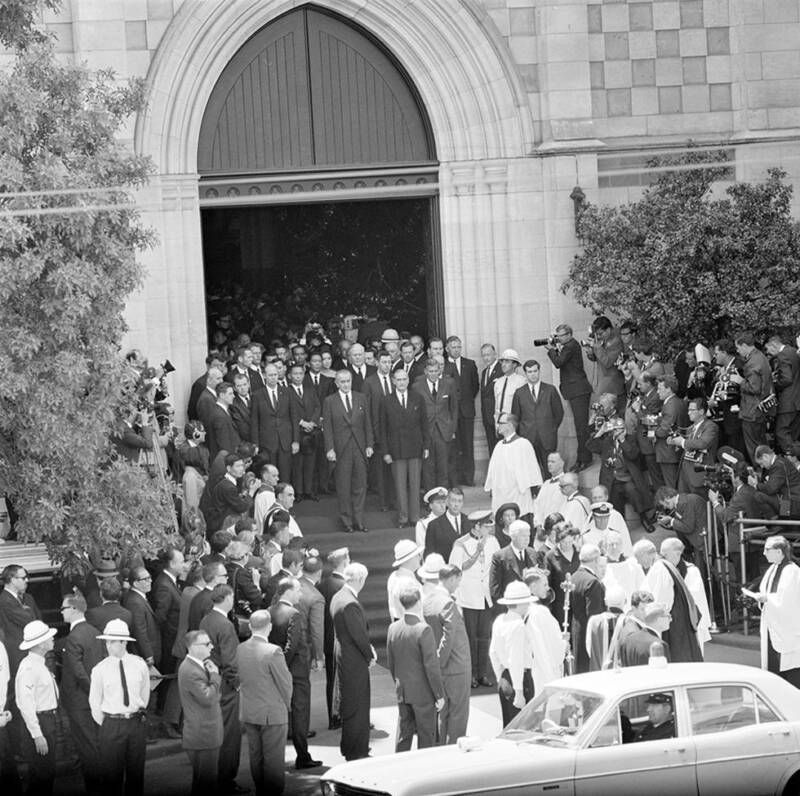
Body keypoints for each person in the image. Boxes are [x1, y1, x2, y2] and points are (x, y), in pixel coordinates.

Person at [89, 620, 150, 796]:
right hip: (111, 725)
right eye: (107, 641)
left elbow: (144, 694)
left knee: (136, 774)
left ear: (124, 642)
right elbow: (95, 702)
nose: (107, 645)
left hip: (135, 723)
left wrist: (134, 713)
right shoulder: (99, 669)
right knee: (111, 776)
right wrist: (109, 721)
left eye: (112, 641)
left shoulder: (139, 665)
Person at [236, 610, 293, 796]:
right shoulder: (273, 651)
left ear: (250, 626)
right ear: (269, 627)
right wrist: (287, 705)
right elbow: (285, 683)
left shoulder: (240, 648)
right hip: (272, 713)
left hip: (250, 711)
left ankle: (260, 791)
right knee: (274, 761)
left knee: (256, 757)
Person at [268, 579, 320, 770]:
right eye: (298, 590)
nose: (300, 594)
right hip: (296, 672)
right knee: (300, 713)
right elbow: (292, 645)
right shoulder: (294, 614)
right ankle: (303, 756)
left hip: (275, 669)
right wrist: (284, 667)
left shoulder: (269, 611)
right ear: (288, 591)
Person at [386, 585, 445, 751]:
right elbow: (431, 666)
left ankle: (399, 764)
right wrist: (439, 694)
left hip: (403, 690)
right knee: (426, 735)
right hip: (423, 693)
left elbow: (391, 662)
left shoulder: (393, 628)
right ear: (419, 602)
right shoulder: (424, 629)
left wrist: (399, 682)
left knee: (404, 733)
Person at [198, 585, 244, 794]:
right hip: (226, 684)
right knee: (230, 734)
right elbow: (230, 660)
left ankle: (214, 776)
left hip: (210, 679)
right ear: (226, 598)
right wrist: (237, 683)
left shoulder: (206, 620)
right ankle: (226, 780)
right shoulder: (225, 624)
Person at [330, 563, 375, 761]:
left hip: (345, 655)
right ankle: (357, 750)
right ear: (360, 579)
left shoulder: (338, 597)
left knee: (351, 703)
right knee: (357, 704)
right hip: (353, 659)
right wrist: (370, 655)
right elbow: (359, 636)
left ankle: (352, 746)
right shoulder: (350, 603)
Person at [421, 563, 471, 742]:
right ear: (451, 579)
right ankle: (454, 753)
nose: (458, 584)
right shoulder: (448, 603)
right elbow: (448, 637)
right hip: (456, 666)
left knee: (444, 714)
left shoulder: (427, 600)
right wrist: (440, 661)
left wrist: (436, 664)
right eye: (458, 580)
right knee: (458, 714)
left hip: (441, 668)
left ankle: (443, 748)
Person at [60, 594, 104, 795]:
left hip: (79, 699)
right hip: (92, 698)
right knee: (93, 742)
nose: (61, 612)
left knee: (87, 746)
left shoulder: (73, 637)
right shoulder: (95, 631)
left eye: (64, 608)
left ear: (75, 609)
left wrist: (91, 691)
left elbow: (78, 672)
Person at [449, 510, 499, 688]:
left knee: (484, 636)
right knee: (470, 637)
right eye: (486, 526)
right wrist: (476, 553)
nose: (489, 530)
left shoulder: (492, 541)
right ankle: (470, 674)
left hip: (485, 595)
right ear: (477, 526)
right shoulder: (460, 544)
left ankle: (482, 673)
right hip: (468, 597)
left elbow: (497, 563)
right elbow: (455, 570)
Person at [323, 370, 374, 533]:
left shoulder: (361, 398)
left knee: (360, 486)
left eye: (348, 381)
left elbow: (368, 424)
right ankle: (347, 521)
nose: (346, 384)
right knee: (343, 486)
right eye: (342, 382)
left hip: (359, 447)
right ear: (336, 383)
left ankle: (359, 520)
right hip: (341, 448)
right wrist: (330, 448)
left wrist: (369, 445)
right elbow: (328, 428)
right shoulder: (329, 401)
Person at [746, 535, 800, 688]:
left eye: (767, 549)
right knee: (774, 663)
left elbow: (788, 600)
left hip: (787, 627)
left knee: (791, 667)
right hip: (772, 624)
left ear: (779, 552)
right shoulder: (773, 568)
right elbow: (767, 592)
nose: (764, 553)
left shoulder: (792, 571)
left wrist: (766, 598)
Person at [15, 620, 60, 796]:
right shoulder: (29, 667)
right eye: (50, 637)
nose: (53, 639)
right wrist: (37, 734)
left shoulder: (38, 664)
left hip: (46, 721)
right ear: (41, 644)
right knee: (42, 775)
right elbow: (25, 704)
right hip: (40, 722)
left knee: (45, 774)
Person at [381, 368, 430, 528]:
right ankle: (403, 518)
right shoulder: (386, 400)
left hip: (415, 447)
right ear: (393, 381)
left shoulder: (418, 398)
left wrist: (426, 446)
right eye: (398, 379)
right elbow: (383, 429)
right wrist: (386, 452)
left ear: (408, 380)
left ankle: (415, 517)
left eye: (404, 379)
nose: (401, 382)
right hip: (396, 450)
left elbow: (424, 424)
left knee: (415, 484)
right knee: (400, 486)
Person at [178, 630, 223, 795]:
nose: (211, 647)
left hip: (204, 734)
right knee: (207, 784)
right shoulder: (191, 670)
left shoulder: (198, 665)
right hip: (203, 735)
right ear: (193, 647)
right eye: (207, 644)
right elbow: (209, 698)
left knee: (202, 784)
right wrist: (215, 676)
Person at [643, 544, 703, 662]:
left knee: (677, 657)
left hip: (672, 621)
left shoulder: (660, 567)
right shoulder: (667, 567)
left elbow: (661, 601)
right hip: (679, 618)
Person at [546, 324, 594, 471]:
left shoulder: (571, 345)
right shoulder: (569, 346)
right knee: (580, 428)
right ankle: (582, 458)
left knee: (582, 428)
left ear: (569, 334)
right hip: (575, 391)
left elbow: (558, 362)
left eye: (560, 335)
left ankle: (584, 459)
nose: (558, 338)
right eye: (557, 335)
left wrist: (551, 350)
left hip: (578, 390)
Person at [489, 582, 534, 726]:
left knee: (508, 726)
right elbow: (516, 660)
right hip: (520, 679)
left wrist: (500, 677)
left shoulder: (499, 620)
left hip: (505, 677)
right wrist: (519, 692)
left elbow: (493, 652)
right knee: (522, 728)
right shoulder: (518, 625)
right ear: (521, 603)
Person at [510, 358, 564, 474]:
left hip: (547, 436)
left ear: (539, 371)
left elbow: (559, 413)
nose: (533, 374)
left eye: (535, 371)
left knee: (550, 470)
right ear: (525, 373)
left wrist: (552, 429)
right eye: (529, 372)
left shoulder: (550, 390)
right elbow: (515, 417)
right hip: (528, 437)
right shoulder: (519, 393)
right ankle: (535, 492)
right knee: (531, 471)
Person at [484, 412, 542, 517]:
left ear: (510, 425)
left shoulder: (523, 444)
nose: (498, 426)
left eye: (500, 423)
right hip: (500, 494)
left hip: (517, 494)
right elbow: (493, 470)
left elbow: (532, 470)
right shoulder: (499, 445)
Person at [413, 357, 458, 490]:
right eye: (430, 371)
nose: (433, 374)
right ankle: (430, 498)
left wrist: (452, 429)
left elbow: (454, 408)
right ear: (425, 371)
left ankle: (442, 497)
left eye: (435, 371)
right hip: (426, 431)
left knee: (443, 466)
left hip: (443, 431)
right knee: (428, 467)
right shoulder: (417, 386)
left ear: (440, 371)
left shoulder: (448, 384)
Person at [730, 332, 773, 462]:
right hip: (760, 409)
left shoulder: (752, 362)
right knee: (762, 444)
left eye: (738, 348)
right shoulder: (760, 357)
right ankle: (766, 473)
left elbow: (754, 388)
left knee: (754, 447)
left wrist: (739, 381)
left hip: (751, 410)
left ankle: (759, 475)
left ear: (744, 345)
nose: (737, 351)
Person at [319, 548, 348, 730]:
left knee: (331, 679)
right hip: (340, 638)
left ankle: (334, 716)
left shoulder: (323, 584)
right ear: (345, 562)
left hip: (327, 637)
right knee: (343, 679)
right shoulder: (343, 585)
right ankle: (339, 715)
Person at [522, 569, 566, 689]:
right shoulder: (539, 612)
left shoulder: (525, 609)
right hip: (542, 669)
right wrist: (563, 643)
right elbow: (550, 644)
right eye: (545, 584)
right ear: (533, 587)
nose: (548, 588)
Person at [445, 336, 480, 486]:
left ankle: (468, 478)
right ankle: (455, 479)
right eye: (453, 347)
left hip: (466, 411)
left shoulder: (470, 364)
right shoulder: (443, 365)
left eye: (459, 347)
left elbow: (474, 386)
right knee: (453, 446)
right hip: (449, 413)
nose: (456, 350)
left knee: (467, 445)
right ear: (447, 348)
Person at [250, 362, 294, 480]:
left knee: (285, 474)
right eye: (270, 375)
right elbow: (254, 421)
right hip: (267, 443)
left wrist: (296, 441)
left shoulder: (287, 392)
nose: (273, 377)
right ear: (264, 376)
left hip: (285, 440)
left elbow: (293, 418)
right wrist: (256, 444)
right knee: (270, 474)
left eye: (275, 374)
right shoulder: (257, 395)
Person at [670, 397, 719, 496]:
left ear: (701, 411)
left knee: (699, 507)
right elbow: (689, 445)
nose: (688, 413)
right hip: (684, 476)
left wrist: (683, 442)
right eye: (688, 410)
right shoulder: (690, 428)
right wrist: (676, 443)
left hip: (699, 476)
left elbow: (702, 443)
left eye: (692, 410)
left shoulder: (711, 426)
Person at [287, 363, 322, 501]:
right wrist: (302, 422)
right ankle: (299, 492)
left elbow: (318, 407)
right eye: (295, 374)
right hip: (296, 431)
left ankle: (309, 490)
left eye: (300, 373)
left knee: (310, 462)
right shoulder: (286, 391)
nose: (298, 376)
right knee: (297, 463)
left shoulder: (310, 390)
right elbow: (287, 412)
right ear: (290, 376)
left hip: (311, 431)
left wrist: (312, 422)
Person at [569, 544, 606, 674]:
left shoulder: (574, 577)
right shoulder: (593, 582)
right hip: (589, 635)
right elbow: (595, 616)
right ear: (596, 560)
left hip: (576, 630)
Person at [488, 519, 537, 605]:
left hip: (530, 608)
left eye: (528, 536)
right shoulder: (500, 557)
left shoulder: (532, 553)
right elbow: (495, 590)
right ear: (513, 536)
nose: (527, 539)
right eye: (523, 536)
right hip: (510, 608)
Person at [582, 316, 625, 413]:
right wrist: (590, 352)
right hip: (603, 382)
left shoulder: (616, 341)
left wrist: (596, 346)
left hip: (612, 385)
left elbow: (607, 362)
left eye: (601, 333)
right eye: (597, 334)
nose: (599, 336)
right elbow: (597, 359)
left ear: (609, 329)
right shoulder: (603, 340)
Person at [653, 485, 707, 563]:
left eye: (664, 504)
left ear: (668, 497)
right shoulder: (682, 501)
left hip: (703, 540)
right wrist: (669, 522)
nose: (664, 507)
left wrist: (671, 520)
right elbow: (682, 524)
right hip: (699, 537)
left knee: (699, 571)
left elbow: (688, 527)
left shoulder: (685, 503)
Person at [653, 375, 689, 488]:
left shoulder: (670, 406)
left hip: (668, 452)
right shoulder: (680, 402)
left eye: (660, 389)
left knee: (671, 485)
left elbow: (664, 430)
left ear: (669, 389)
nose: (657, 392)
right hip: (676, 450)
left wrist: (654, 430)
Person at [544, 522, 581, 626]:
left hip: (578, 605)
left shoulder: (580, 552)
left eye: (570, 541)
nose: (568, 545)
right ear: (558, 541)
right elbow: (547, 584)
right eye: (564, 542)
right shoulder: (550, 556)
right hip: (560, 607)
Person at [584, 583, 626, 672]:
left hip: (599, 673)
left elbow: (589, 648)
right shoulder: (629, 622)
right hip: (621, 674)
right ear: (625, 601)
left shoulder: (594, 621)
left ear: (606, 601)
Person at [751, 444, 800, 517]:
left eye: (761, 463)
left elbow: (771, 489)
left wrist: (756, 485)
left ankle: (775, 524)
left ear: (765, 456)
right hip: (790, 499)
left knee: (758, 496)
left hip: (791, 503)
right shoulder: (781, 461)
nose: (762, 466)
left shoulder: (778, 465)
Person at [618, 602, 672, 667]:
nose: (671, 619)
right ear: (659, 619)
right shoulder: (660, 645)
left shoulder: (628, 640)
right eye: (668, 616)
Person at [424, 487, 468, 561]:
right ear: (447, 502)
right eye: (453, 501)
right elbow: (429, 555)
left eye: (459, 501)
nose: (456, 504)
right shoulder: (434, 525)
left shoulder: (469, 521)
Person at [387, 540, 424, 622]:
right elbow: (417, 611)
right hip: (412, 626)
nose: (420, 557)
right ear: (410, 558)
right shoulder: (408, 582)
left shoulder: (393, 576)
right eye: (418, 555)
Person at [533, 452, 568, 527]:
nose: (549, 464)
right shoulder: (546, 483)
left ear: (562, 464)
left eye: (553, 462)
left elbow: (564, 508)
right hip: (541, 527)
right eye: (548, 461)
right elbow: (538, 505)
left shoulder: (567, 483)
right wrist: (538, 523)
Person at [479, 343, 503, 453]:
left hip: (498, 416)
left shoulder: (502, 369)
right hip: (487, 416)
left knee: (501, 446)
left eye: (488, 355)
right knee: (491, 446)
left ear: (495, 354)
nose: (486, 358)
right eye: (483, 355)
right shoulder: (484, 372)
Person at [492, 349, 526, 424]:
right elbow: (496, 405)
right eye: (502, 361)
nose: (503, 364)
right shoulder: (498, 382)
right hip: (499, 423)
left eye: (507, 361)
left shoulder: (522, 382)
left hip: (514, 423)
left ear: (515, 364)